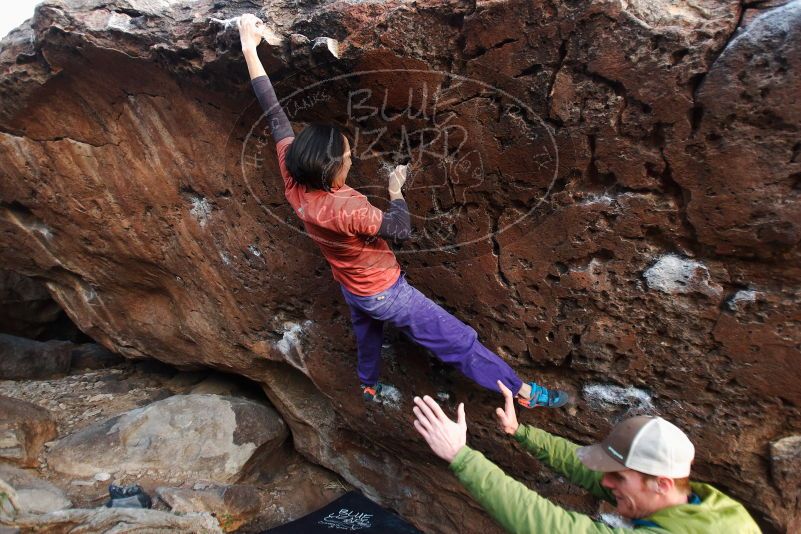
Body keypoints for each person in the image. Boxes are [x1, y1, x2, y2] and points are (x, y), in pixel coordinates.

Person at [237, 14, 568, 409]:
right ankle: (523, 392)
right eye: (346, 155)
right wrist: (396, 190)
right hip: (386, 293)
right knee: (457, 340)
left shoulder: (294, 177)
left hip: (351, 286)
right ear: (330, 169)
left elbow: (273, 112)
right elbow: (399, 229)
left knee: (366, 333)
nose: (351, 155)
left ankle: (367, 382)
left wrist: (248, 48)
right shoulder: (347, 209)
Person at [411, 382, 761, 533]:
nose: (605, 484)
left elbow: (550, 526)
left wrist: (461, 455)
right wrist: (521, 432)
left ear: (662, 484)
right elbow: (578, 465)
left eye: (618, 477)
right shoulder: (697, 505)